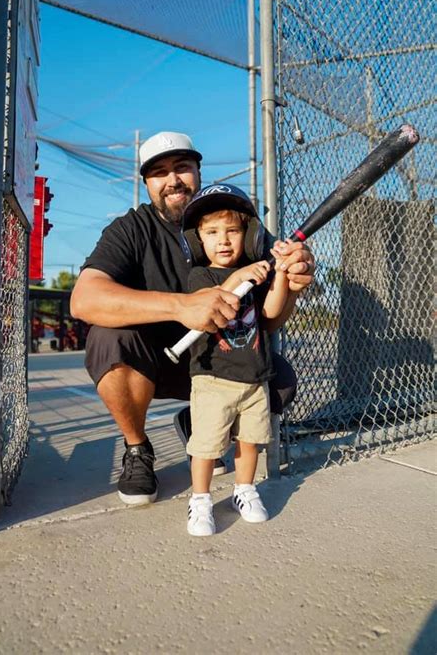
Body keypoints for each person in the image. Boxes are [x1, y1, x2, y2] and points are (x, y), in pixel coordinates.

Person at [70, 131, 315, 506]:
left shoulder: (242, 228)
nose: (172, 180)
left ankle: (197, 422)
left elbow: (267, 322)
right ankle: (138, 449)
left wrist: (291, 284)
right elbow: (84, 299)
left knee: (279, 384)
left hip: (221, 360)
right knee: (108, 340)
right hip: (154, 361)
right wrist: (181, 306)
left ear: (198, 170)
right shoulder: (131, 229)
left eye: (182, 167)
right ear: (146, 183)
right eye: (159, 172)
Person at [181, 185, 290, 536]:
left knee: (250, 440)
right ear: (199, 240)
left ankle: (244, 490)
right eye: (212, 233)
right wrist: (240, 276)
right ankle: (200, 499)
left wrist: (282, 274)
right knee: (207, 445)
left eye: (233, 231)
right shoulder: (199, 276)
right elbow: (214, 301)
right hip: (213, 378)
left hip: (253, 377)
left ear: (248, 235)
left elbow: (271, 311)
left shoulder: (254, 272)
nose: (223, 241)